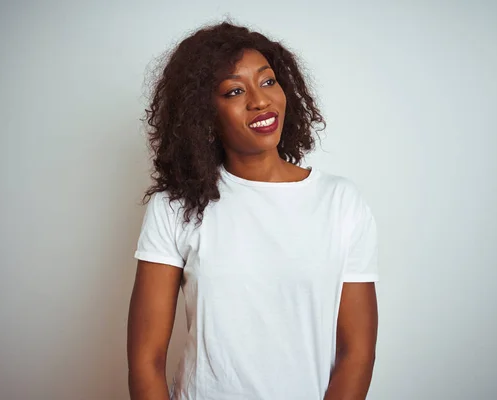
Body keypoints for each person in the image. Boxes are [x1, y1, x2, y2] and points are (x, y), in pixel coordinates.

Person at [127, 21, 379, 400]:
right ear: (203, 115)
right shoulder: (176, 206)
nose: (260, 101)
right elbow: (146, 359)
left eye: (267, 81)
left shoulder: (340, 202)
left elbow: (356, 353)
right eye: (234, 91)